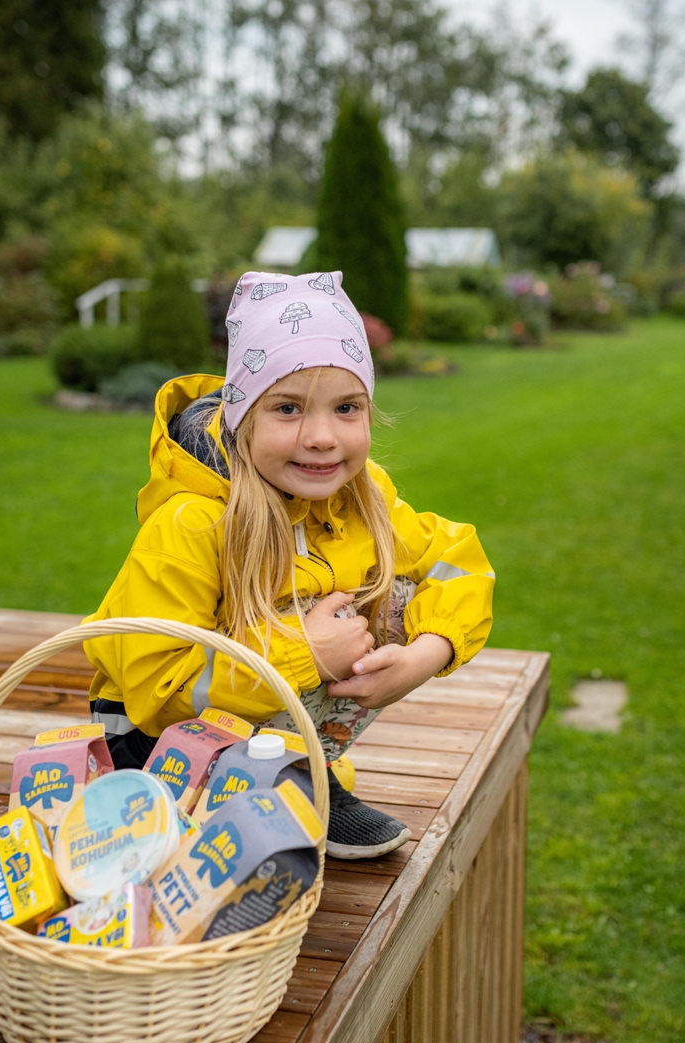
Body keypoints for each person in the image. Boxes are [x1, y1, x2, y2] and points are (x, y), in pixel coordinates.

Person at [83, 270, 495, 860]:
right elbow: (157, 687)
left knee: (398, 590)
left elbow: (458, 561)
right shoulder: (193, 523)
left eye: (346, 407)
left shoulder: (365, 498)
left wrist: (423, 657)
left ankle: (296, 771)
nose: (322, 437)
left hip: (263, 725)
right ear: (242, 416)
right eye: (288, 408)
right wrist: (306, 652)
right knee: (324, 616)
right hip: (154, 746)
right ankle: (255, 790)